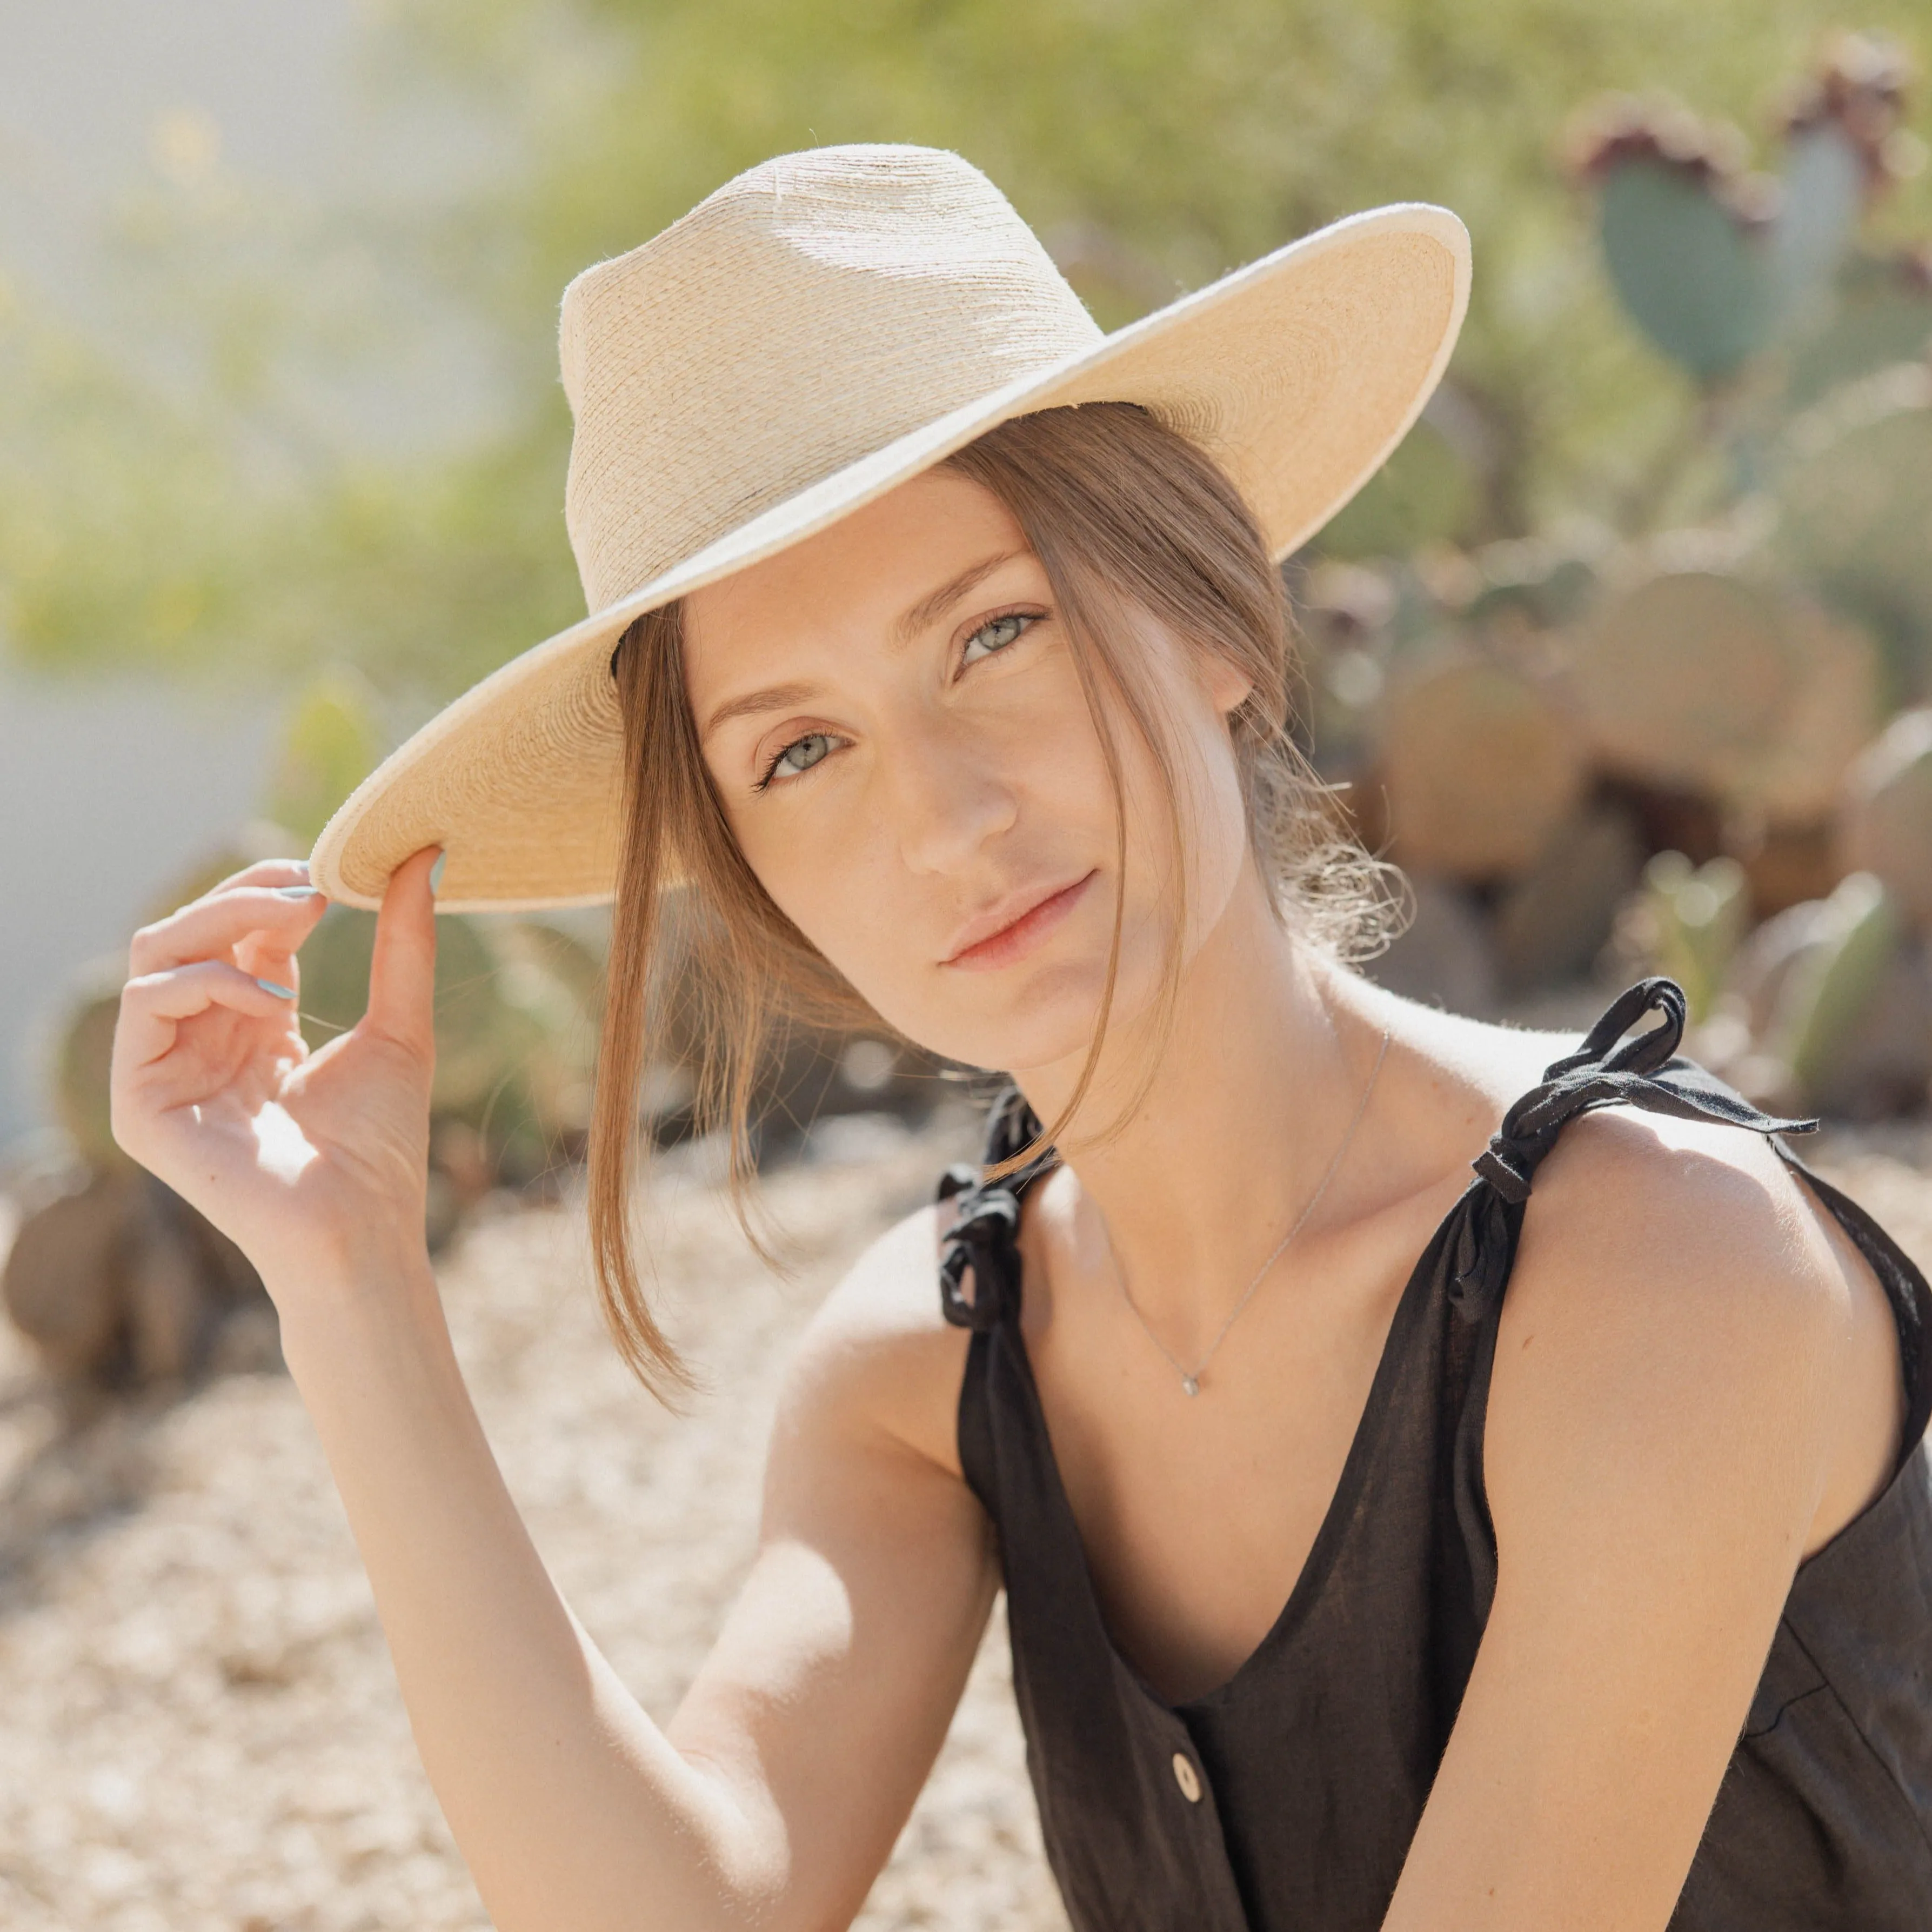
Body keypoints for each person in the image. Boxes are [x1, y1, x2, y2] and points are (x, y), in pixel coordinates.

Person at [109, 145, 1931, 1932]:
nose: (939, 821)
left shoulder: (1661, 1270)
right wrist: (349, 1284)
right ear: (754, 874)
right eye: (798, 750)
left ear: (1216, 615)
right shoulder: (928, 1369)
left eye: (994, 634)